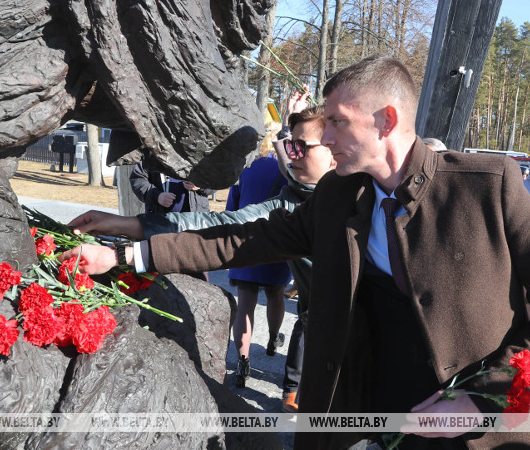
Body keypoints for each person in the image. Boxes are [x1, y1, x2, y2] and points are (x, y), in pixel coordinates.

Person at [63, 56, 530, 450]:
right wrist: (128, 256)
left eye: (337, 121)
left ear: (386, 121)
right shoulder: (339, 194)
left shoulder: (487, 186)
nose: (322, 134)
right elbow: (243, 237)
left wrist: (484, 397)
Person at [69, 102, 335, 413]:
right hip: (322, 339)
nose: (291, 155)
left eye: (302, 147)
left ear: (334, 150)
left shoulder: (357, 202)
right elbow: (220, 229)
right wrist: (129, 225)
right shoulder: (293, 200)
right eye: (289, 146)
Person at [224, 126, 292, 388]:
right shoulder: (290, 170)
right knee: (275, 294)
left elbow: (232, 208)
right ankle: (274, 339)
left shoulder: (246, 167)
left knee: (246, 304)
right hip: (278, 241)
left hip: (245, 241)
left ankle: (242, 362)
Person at [129, 162, 214, 215]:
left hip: (197, 220)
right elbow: (138, 178)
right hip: (160, 222)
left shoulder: (202, 150)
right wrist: (157, 196)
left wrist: (201, 185)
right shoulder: (153, 151)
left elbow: (217, 179)